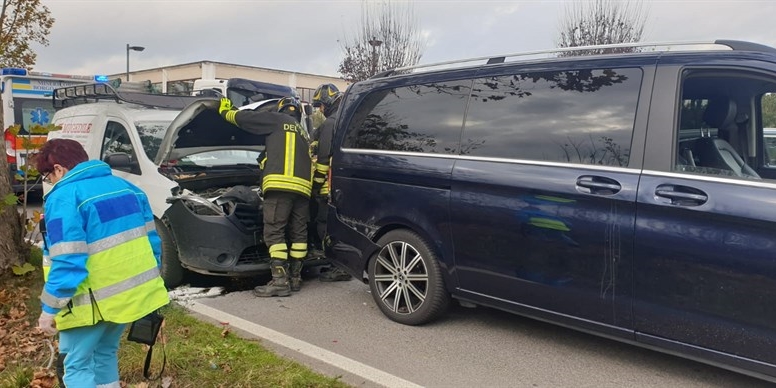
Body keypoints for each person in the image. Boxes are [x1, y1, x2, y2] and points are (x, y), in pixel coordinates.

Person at [34, 138, 170, 388]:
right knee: (105, 354)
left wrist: (49, 309)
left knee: (76, 365)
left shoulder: (64, 197)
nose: (50, 182)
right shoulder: (128, 188)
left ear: (58, 169)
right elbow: (153, 244)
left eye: (47, 176)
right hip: (127, 298)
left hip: (89, 303)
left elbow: (67, 260)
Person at [218, 96, 313, 295]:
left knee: (274, 231)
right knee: (299, 234)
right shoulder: (304, 133)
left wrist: (226, 112)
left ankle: (279, 282)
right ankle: (295, 278)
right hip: (303, 190)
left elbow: (247, 119)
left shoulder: (278, 120)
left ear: (280, 110)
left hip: (280, 187)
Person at [311, 83, 352, 282]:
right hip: (346, 186)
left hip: (329, 187)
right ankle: (345, 265)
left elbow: (324, 159)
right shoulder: (346, 120)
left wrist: (316, 185)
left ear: (327, 102)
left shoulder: (330, 124)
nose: (320, 109)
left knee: (324, 225)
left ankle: (337, 265)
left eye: (320, 105)